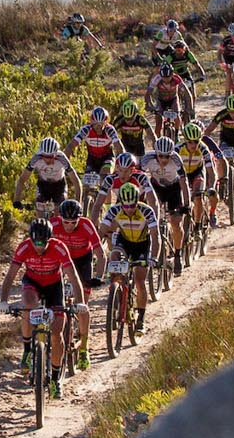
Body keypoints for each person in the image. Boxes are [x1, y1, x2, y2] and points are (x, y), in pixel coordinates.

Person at [0, 218, 89, 394]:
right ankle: (27, 351)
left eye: (43, 242)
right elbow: (10, 276)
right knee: (27, 305)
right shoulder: (24, 247)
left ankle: (55, 380)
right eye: (35, 242)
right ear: (30, 238)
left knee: (56, 332)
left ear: (49, 239)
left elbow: (73, 277)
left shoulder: (59, 247)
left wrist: (80, 303)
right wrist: (3, 301)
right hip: (33, 282)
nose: (39, 246)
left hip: (55, 285)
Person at [97, 181, 159, 328]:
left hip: (142, 244)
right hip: (124, 242)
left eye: (132, 205)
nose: (129, 209)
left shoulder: (147, 211)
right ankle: (116, 295)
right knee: (114, 256)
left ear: (138, 201)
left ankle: (141, 318)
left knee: (139, 281)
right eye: (126, 205)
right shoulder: (114, 210)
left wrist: (154, 257)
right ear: (121, 202)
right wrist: (95, 248)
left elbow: (156, 237)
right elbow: (102, 231)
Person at [50, 198, 103, 370]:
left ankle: (84, 348)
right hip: (61, 260)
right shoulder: (53, 224)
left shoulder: (87, 225)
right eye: (66, 222)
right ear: (60, 218)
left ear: (79, 219)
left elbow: (101, 254)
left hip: (82, 261)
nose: (69, 225)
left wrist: (98, 276)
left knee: (83, 306)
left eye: (74, 222)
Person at [139, 135, 195, 257]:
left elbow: (184, 183)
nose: (164, 159)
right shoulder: (147, 158)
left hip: (173, 189)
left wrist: (187, 204)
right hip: (156, 188)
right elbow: (137, 179)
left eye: (167, 156)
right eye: (161, 156)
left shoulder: (176, 159)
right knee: (151, 217)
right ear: (156, 153)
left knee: (175, 222)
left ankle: (178, 254)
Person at [71, 106, 122, 216]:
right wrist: (64, 161)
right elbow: (72, 145)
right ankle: (86, 207)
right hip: (92, 159)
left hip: (107, 157)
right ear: (91, 122)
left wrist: (123, 161)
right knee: (88, 185)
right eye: (96, 124)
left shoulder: (110, 130)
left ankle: (108, 211)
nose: (98, 127)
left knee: (106, 180)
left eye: (101, 124)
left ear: (105, 122)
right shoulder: (86, 129)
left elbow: (119, 147)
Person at [12, 136, 82, 214]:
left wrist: (78, 202)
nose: (47, 160)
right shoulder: (36, 158)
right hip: (43, 185)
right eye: (45, 156)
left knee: (59, 212)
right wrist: (16, 200)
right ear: (41, 153)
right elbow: (22, 179)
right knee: (39, 214)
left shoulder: (62, 158)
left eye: (51, 157)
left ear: (56, 154)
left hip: (59, 185)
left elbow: (76, 181)